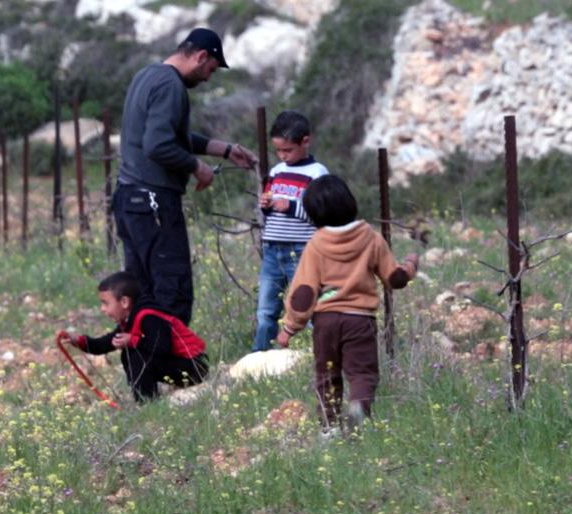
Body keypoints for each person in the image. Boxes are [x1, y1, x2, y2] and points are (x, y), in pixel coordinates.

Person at [113, 27, 258, 325]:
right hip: (153, 203)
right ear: (201, 56)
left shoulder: (148, 75)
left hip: (128, 199)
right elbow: (158, 145)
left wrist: (224, 149)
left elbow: (167, 134)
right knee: (171, 293)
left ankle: (143, 369)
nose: (207, 77)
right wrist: (197, 167)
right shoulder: (171, 86)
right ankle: (174, 368)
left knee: (140, 294)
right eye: (210, 69)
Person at [275, 175, 420, 434]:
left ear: (313, 214)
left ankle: (329, 428)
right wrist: (409, 266)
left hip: (326, 322)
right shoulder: (371, 238)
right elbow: (393, 278)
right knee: (362, 373)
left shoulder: (316, 245)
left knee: (326, 375)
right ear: (349, 202)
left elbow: (304, 292)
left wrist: (289, 327)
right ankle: (358, 410)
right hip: (359, 319)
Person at [62, 271, 209, 403]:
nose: (103, 309)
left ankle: (146, 403)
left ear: (124, 302)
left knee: (135, 354)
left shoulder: (149, 317)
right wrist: (79, 341)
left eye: (106, 303)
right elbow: (105, 344)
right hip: (180, 366)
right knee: (133, 352)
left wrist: (132, 340)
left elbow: (163, 347)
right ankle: (146, 400)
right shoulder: (129, 320)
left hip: (195, 365)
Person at [252, 110, 329, 351]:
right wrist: (265, 206)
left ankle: (311, 355)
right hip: (273, 249)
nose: (283, 156)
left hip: (302, 250)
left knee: (303, 305)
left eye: (288, 150)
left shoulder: (317, 173)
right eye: (278, 151)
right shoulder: (276, 172)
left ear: (305, 142)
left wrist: (292, 206)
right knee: (265, 310)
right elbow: (267, 211)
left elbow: (322, 213)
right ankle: (259, 356)